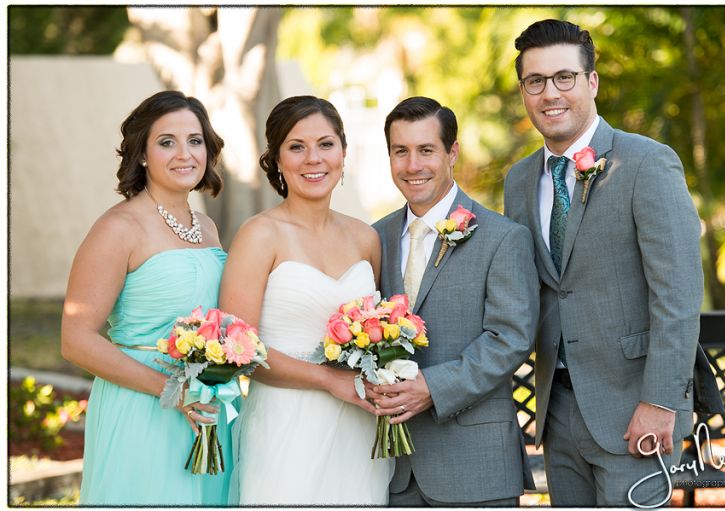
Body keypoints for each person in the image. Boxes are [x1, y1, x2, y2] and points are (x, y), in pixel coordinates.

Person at [503, 19, 705, 506]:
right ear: (525, 92)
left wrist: (659, 403)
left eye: (564, 77)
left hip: (634, 409)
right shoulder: (519, 181)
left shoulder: (645, 163)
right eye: (535, 81)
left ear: (591, 82)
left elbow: (677, 296)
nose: (550, 93)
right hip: (557, 411)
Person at [61, 90, 233, 505]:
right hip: (143, 405)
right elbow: (76, 339)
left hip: (206, 404)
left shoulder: (206, 226)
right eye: (166, 142)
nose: (184, 154)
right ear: (141, 154)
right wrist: (171, 392)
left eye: (195, 141)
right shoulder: (119, 227)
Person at [219, 95, 392, 505]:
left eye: (326, 144)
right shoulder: (259, 235)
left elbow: (381, 329)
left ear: (344, 153)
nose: (313, 158)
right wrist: (329, 380)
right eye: (296, 147)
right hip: (286, 423)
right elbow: (239, 350)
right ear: (277, 159)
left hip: (359, 426)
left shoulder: (366, 237)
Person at [369, 96, 538, 506]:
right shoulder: (375, 237)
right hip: (393, 469)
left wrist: (433, 386)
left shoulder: (502, 237)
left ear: (452, 153)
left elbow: (510, 338)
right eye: (400, 151)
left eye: (426, 150)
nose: (413, 165)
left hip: (475, 465)